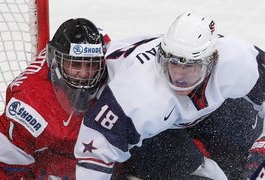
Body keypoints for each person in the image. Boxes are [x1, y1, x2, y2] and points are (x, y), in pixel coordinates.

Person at [74, 12, 265, 179]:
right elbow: (94, 153)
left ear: (211, 62)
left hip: (199, 114)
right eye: (173, 64)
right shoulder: (136, 95)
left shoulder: (237, 60)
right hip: (154, 130)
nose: (179, 76)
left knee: (239, 150)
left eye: (189, 66)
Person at [0, 18, 109, 180]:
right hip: (51, 163)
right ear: (56, 61)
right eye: (76, 64)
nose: (84, 73)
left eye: (91, 64)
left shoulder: (115, 65)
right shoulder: (31, 100)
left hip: (99, 156)